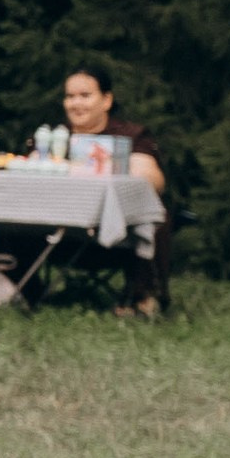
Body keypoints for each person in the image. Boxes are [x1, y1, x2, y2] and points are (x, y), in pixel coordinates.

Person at [63, 60, 171, 318]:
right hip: (60, 234)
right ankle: (22, 290)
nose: (76, 104)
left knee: (153, 214)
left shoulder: (131, 136)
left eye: (85, 96)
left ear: (106, 100)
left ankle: (143, 296)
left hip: (119, 235)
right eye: (70, 97)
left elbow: (153, 180)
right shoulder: (54, 138)